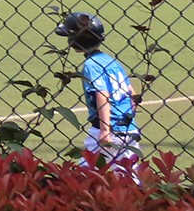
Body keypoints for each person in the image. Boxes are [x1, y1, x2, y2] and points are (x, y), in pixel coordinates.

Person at [55, 11, 141, 172]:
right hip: (129, 128)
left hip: (107, 128)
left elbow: (102, 95)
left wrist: (105, 129)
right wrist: (126, 117)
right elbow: (133, 95)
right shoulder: (111, 60)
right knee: (128, 173)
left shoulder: (91, 65)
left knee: (85, 171)